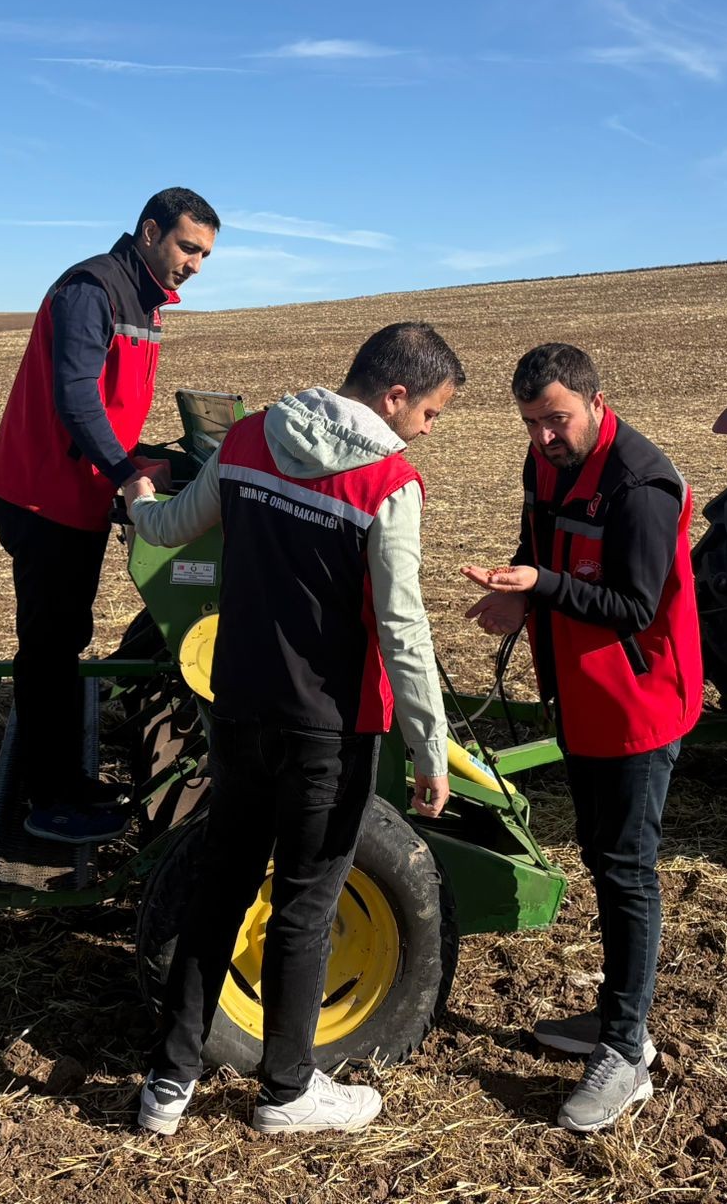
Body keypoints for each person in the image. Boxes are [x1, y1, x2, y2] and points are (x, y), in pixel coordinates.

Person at [126, 322, 460, 1138]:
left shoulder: (245, 440)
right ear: (393, 396)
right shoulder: (388, 484)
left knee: (222, 889)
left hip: (239, 707)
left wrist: (137, 495)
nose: (427, 430)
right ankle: (285, 1091)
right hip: (329, 733)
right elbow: (402, 627)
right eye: (430, 413)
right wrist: (429, 745)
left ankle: (168, 1083)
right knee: (307, 907)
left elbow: (167, 530)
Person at [460, 342, 701, 1134]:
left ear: (596, 402)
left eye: (556, 420)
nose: (542, 438)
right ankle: (615, 1017)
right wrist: (521, 593)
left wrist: (542, 588)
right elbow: (538, 549)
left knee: (627, 870)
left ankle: (627, 1052)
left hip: (637, 705)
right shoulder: (547, 464)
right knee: (602, 856)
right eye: (531, 423)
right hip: (581, 698)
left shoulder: (642, 485)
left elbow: (634, 605)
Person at [0, 188, 219, 845]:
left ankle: (66, 781)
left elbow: (110, 407)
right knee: (50, 647)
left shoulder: (142, 301)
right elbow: (76, 397)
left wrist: (140, 457)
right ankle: (50, 800)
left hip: (75, 494)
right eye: (188, 247)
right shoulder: (93, 289)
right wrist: (125, 472)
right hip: (45, 498)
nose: (195, 265)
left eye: (205, 255)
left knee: (65, 637)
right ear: (150, 232)